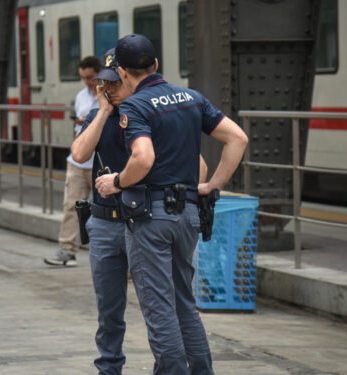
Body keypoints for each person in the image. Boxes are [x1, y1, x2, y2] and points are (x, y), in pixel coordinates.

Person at [95, 34, 248, 374]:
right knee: (184, 306)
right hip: (189, 214)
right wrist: (211, 186)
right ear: (156, 65)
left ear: (121, 72)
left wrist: (116, 181)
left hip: (151, 219)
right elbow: (237, 138)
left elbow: (143, 158)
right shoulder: (192, 98)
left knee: (160, 310)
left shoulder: (135, 106)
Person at [74, 49, 210, 375]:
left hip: (146, 220)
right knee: (110, 310)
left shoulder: (149, 114)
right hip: (108, 223)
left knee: (164, 305)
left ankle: (171, 367)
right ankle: (109, 368)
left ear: (127, 77)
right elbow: (79, 153)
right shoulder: (101, 116)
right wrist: (103, 112)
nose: (109, 90)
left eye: (114, 83)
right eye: (104, 85)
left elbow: (199, 167)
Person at [44, 56, 101, 267]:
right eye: (84, 78)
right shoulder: (80, 97)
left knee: (106, 210)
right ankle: (67, 251)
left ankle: (111, 253)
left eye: (91, 77)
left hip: (99, 163)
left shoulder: (109, 95)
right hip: (78, 162)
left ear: (99, 74)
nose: (88, 82)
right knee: (71, 205)